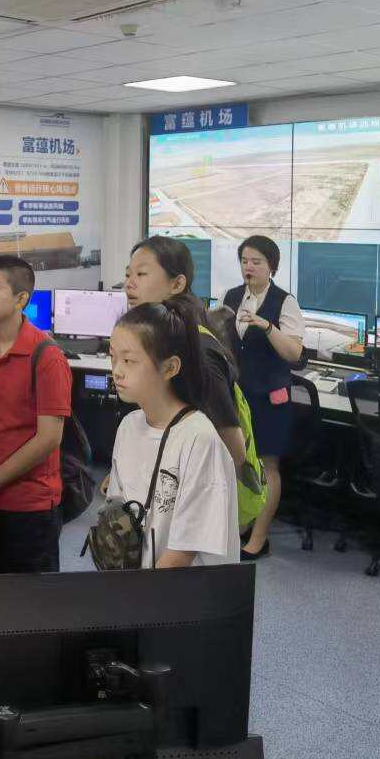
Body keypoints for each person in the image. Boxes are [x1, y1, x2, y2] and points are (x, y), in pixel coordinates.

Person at [124, 236, 260, 551]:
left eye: (141, 274)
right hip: (166, 498)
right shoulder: (164, 339)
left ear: (177, 284)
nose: (129, 283)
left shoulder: (197, 349)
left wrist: (187, 502)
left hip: (194, 511)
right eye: (128, 273)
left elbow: (233, 450)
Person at [102, 298, 238, 568]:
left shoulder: (198, 438)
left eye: (129, 360)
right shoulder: (129, 425)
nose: (116, 371)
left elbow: (182, 553)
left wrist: (140, 592)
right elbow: (118, 512)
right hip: (140, 581)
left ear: (170, 367)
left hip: (179, 586)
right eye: (113, 357)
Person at [0, 255, 71, 574]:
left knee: (27, 598)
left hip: (28, 505)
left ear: (21, 299)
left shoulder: (47, 356)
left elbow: (49, 438)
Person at [219, 236, 304, 559]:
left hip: (270, 397)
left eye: (257, 262)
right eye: (245, 261)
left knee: (267, 465)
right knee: (237, 461)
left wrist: (266, 326)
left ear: (272, 267)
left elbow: (293, 353)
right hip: (237, 394)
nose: (249, 267)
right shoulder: (231, 297)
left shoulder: (284, 302)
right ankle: (240, 524)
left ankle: (259, 537)